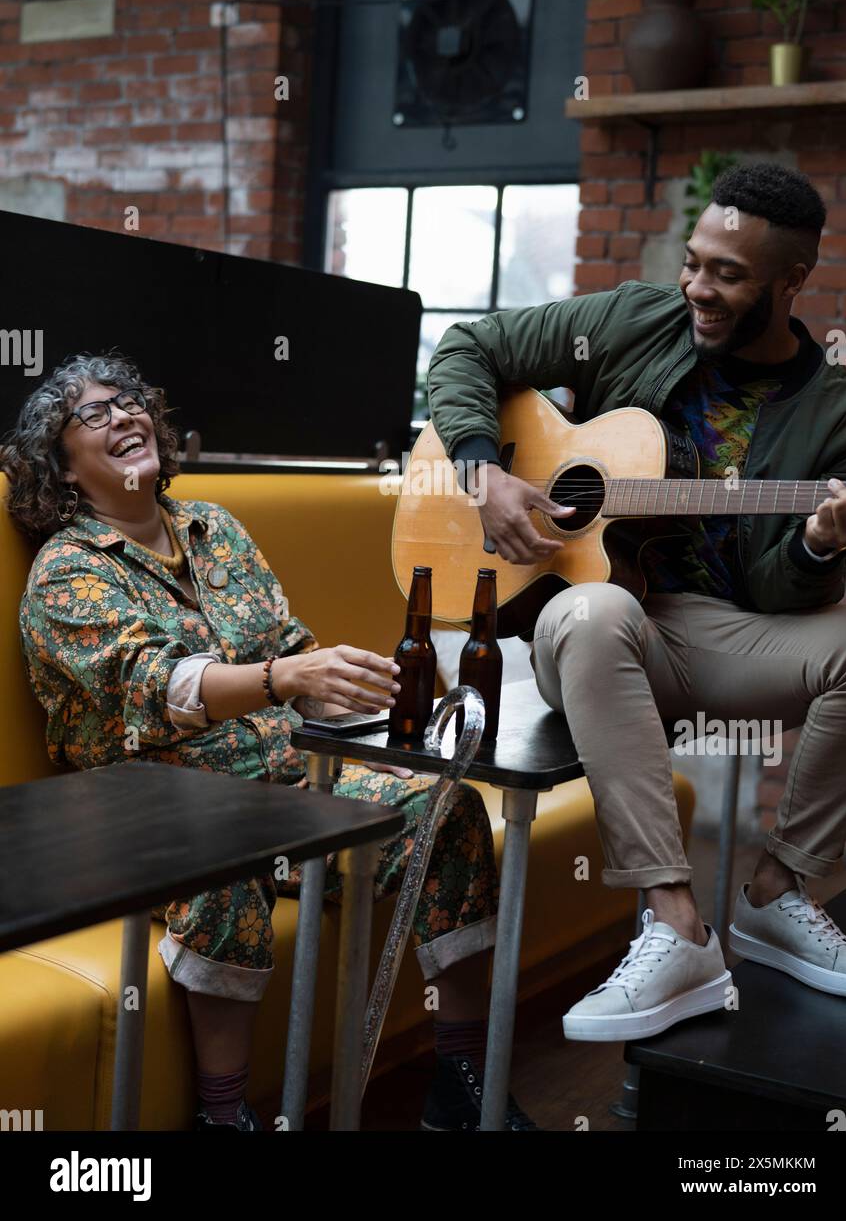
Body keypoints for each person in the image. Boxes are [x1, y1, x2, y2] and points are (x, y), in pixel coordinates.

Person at [4, 352, 538, 1131]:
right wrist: (287, 675)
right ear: (62, 466)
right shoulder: (66, 573)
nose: (122, 416)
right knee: (226, 864)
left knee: (444, 810)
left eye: (129, 401)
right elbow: (161, 687)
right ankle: (226, 1117)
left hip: (292, 784)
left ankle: (459, 1082)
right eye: (93, 414)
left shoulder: (214, 528)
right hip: (151, 819)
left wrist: (347, 681)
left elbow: (288, 641)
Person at [428, 161, 846, 1042]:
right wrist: (485, 473)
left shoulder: (837, 414)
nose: (699, 287)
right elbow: (469, 347)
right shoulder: (632, 318)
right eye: (695, 261)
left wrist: (820, 541)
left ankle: (777, 896)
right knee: (596, 614)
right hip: (586, 615)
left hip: (717, 632)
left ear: (791, 281)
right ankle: (677, 925)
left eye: (729, 275)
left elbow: (783, 597)